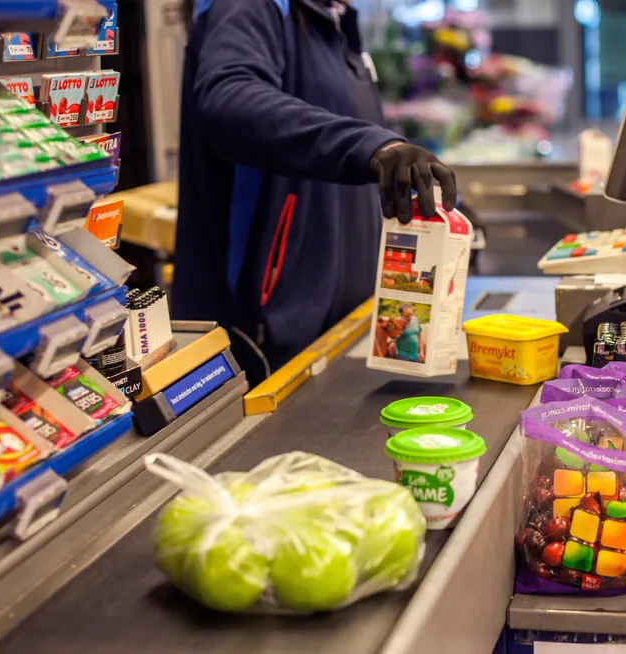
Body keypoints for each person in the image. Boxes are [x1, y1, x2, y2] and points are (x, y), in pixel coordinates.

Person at [172, 0, 458, 384]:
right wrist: (370, 146)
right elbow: (229, 96)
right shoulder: (250, 7)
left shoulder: (334, 17)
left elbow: (342, 145)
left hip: (345, 327)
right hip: (268, 339)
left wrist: (433, 199)